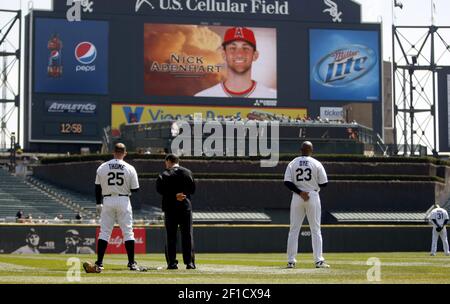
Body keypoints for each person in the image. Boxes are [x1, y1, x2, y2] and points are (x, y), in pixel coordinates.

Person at [83, 143, 146, 273]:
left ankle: (99, 263)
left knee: (104, 232)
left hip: (107, 200)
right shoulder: (130, 168)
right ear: (125, 153)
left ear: (113, 152)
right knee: (128, 232)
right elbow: (135, 189)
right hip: (123, 199)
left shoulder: (102, 167)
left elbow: (97, 187)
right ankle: (131, 263)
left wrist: (98, 203)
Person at [194, 26, 277, 98]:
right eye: (232, 48)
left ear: (255, 55)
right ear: (223, 55)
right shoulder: (203, 96)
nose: (239, 54)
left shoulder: (272, 96)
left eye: (245, 48)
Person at [283, 141, 330, 269]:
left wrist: (300, 192)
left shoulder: (293, 163)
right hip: (312, 196)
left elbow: (287, 182)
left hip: (297, 197)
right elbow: (324, 183)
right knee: (315, 229)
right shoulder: (316, 163)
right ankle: (318, 261)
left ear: (300, 150)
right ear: (311, 150)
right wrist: (310, 188)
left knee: (294, 230)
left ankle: (291, 261)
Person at [156, 154, 196, 270]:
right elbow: (192, 190)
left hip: (170, 208)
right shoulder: (188, 172)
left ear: (168, 161)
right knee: (187, 235)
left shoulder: (164, 174)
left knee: (171, 236)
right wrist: (181, 194)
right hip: (185, 208)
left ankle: (172, 263)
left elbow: (159, 190)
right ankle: (190, 263)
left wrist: (174, 195)